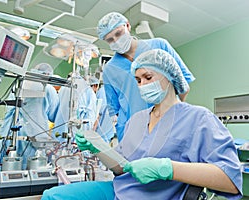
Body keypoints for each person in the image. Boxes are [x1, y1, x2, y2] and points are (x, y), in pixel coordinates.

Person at [41, 49, 242, 200]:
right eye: (137, 80)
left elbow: (231, 181)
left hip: (156, 197)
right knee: (52, 196)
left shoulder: (199, 119)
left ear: (170, 76)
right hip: (119, 190)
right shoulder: (137, 119)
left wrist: (167, 168)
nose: (142, 85)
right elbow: (122, 169)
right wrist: (98, 149)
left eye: (148, 77)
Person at [97, 12, 195, 141]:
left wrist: (174, 112)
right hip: (131, 132)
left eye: (118, 33)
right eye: (110, 39)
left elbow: (182, 83)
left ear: (127, 26)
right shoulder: (110, 69)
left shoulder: (159, 46)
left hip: (166, 123)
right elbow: (114, 108)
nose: (116, 41)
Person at [0, 63, 60, 169]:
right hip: (34, 135)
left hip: (10, 131)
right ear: (48, 75)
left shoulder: (19, 83)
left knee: (9, 167)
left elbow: (9, 109)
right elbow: (54, 115)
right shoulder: (48, 89)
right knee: (30, 168)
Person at [52, 72, 97, 143]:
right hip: (75, 134)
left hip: (61, 130)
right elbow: (90, 117)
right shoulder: (88, 92)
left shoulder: (64, 88)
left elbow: (54, 112)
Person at [89, 76, 115, 143]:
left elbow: (99, 113)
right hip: (108, 131)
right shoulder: (108, 90)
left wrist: (93, 129)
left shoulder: (101, 92)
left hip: (102, 132)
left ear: (95, 85)